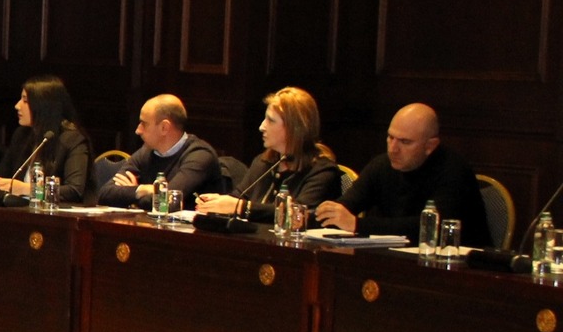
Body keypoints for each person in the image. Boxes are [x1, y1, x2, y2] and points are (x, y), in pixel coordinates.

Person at [314, 102, 492, 246]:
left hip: (456, 269)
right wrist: (327, 213)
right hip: (396, 259)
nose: (393, 149)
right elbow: (347, 206)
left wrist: (358, 224)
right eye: (390, 137)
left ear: (430, 146)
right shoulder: (382, 165)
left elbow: (430, 227)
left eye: (405, 142)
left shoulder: (454, 171)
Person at [195, 87, 342, 224]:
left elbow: (298, 214)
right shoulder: (263, 162)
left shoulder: (322, 172)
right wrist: (218, 202)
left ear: (294, 127)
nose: (261, 127)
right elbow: (239, 197)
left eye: (270, 120)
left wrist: (240, 207)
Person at [0, 75, 94, 205]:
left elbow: (74, 190)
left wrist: (26, 189)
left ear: (43, 106)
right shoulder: (22, 135)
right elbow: (2, 175)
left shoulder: (72, 139)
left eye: (25, 101)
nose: (17, 106)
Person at [98, 94, 223, 208]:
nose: (138, 130)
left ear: (164, 127)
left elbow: (167, 202)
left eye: (143, 123)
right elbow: (105, 194)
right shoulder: (146, 152)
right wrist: (141, 189)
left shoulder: (199, 155)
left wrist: (131, 197)